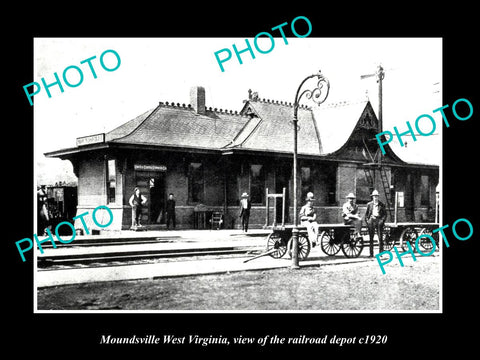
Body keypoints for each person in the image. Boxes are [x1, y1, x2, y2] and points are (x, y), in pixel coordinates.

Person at [365, 189, 387, 257]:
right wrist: (368, 221)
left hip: (379, 220)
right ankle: (371, 254)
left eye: (376, 196)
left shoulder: (382, 205)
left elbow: (385, 215)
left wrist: (381, 221)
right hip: (371, 221)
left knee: (380, 237)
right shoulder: (369, 204)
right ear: (372, 197)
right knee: (371, 238)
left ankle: (381, 253)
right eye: (374, 196)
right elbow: (366, 214)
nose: (375, 198)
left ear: (378, 197)